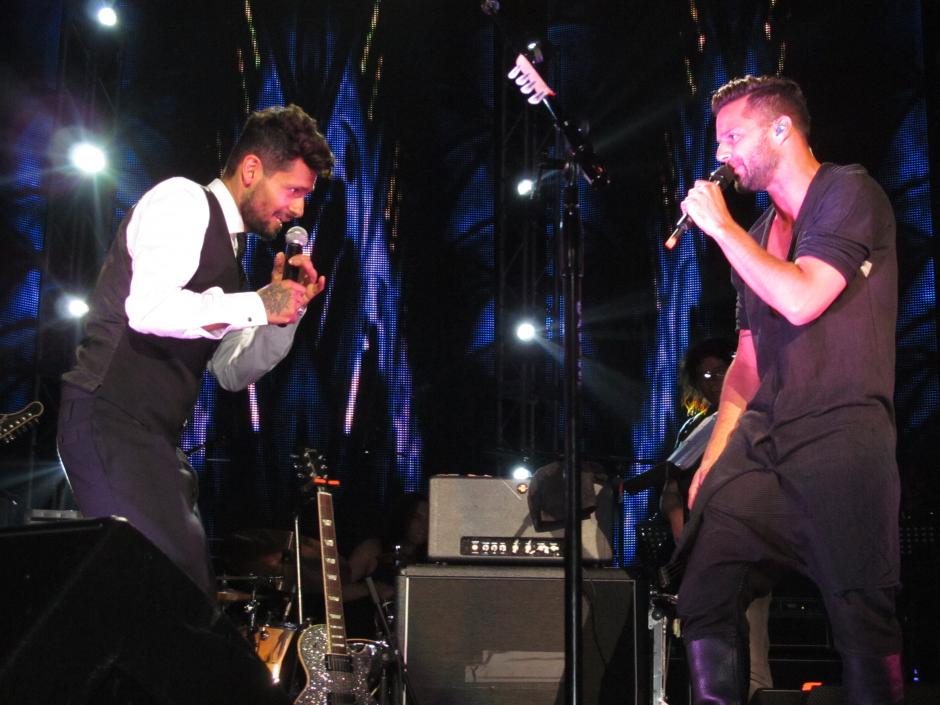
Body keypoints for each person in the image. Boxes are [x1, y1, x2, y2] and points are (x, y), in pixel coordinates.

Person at [672, 76, 903, 705]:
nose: (721, 153)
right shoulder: (762, 228)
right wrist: (716, 454)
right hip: (766, 440)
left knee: (859, 610)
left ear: (781, 129)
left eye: (733, 136)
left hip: (840, 437)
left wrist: (723, 232)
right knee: (706, 577)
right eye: (717, 140)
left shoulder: (848, 192)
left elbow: (803, 298)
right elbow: (747, 360)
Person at [56, 104, 334, 600]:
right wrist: (256, 303)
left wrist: (284, 315)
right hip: (108, 415)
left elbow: (230, 370)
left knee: (174, 592)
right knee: (172, 590)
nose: (298, 211)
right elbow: (150, 309)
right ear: (252, 169)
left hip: (153, 438)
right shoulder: (181, 201)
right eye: (293, 191)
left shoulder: (229, 256)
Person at [664, 337, 773, 700]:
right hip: (706, 550)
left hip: (747, 542)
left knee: (752, 644)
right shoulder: (693, 431)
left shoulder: (757, 415)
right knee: (711, 643)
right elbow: (672, 494)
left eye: (719, 371)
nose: (713, 379)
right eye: (704, 375)